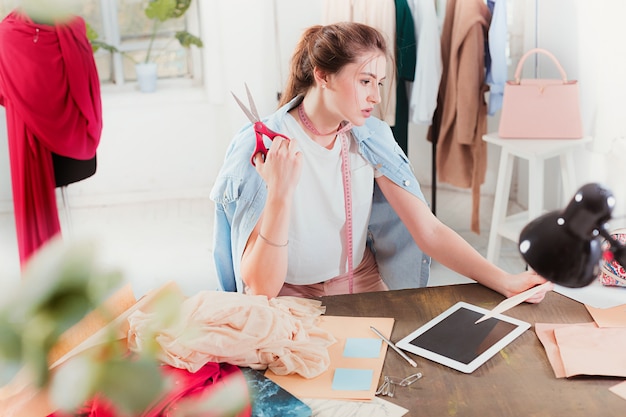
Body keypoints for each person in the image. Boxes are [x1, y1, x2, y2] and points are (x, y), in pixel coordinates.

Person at [210, 22, 553, 302]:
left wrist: (505, 280)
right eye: (364, 81)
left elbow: (428, 230)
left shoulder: (371, 137)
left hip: (361, 280)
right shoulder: (261, 146)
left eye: (379, 83)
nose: (375, 96)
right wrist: (280, 193)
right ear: (322, 76)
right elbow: (260, 289)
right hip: (290, 294)